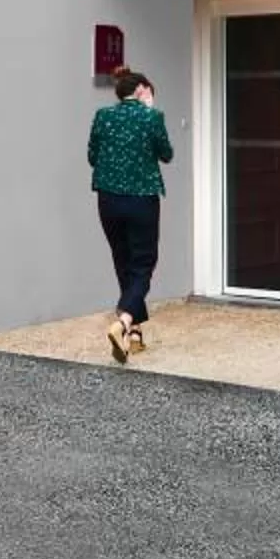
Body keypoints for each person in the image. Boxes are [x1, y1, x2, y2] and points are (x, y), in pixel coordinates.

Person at [86, 66, 172, 362]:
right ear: (142, 90)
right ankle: (121, 323)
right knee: (144, 263)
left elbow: (92, 157)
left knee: (123, 261)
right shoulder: (152, 117)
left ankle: (134, 334)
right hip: (141, 200)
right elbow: (167, 154)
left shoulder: (103, 116)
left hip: (108, 200)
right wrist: (151, 111)